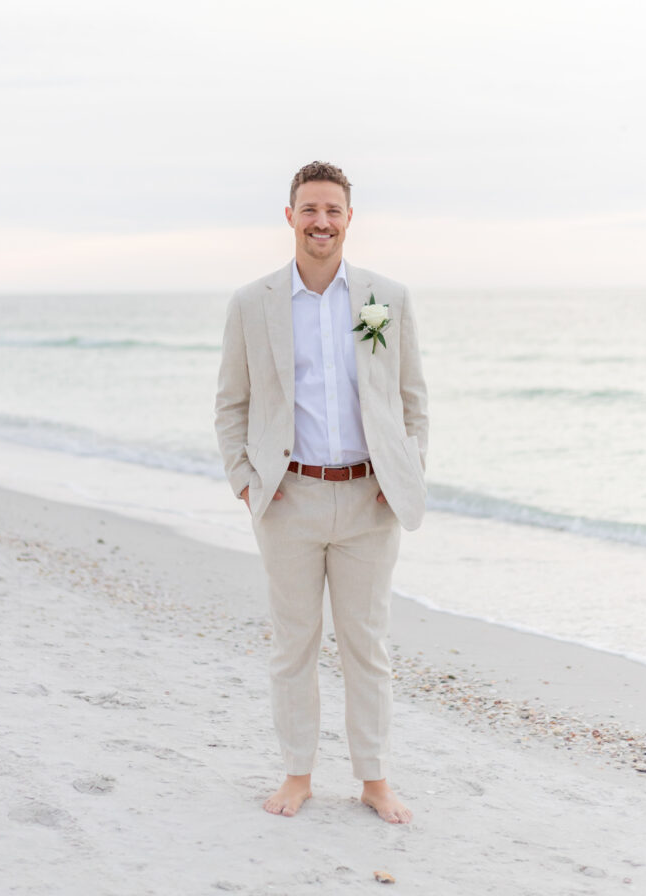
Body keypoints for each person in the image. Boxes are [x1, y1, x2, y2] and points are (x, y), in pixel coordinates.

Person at [214, 161, 428, 823]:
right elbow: (231, 406)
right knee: (294, 646)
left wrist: (404, 473)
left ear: (349, 218)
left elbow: (413, 401)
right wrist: (248, 485)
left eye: (333, 210)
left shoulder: (382, 300)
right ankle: (297, 774)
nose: (321, 222)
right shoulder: (253, 304)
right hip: (289, 501)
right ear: (290, 217)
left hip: (369, 502)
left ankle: (373, 780)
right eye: (309, 209)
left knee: (368, 647)